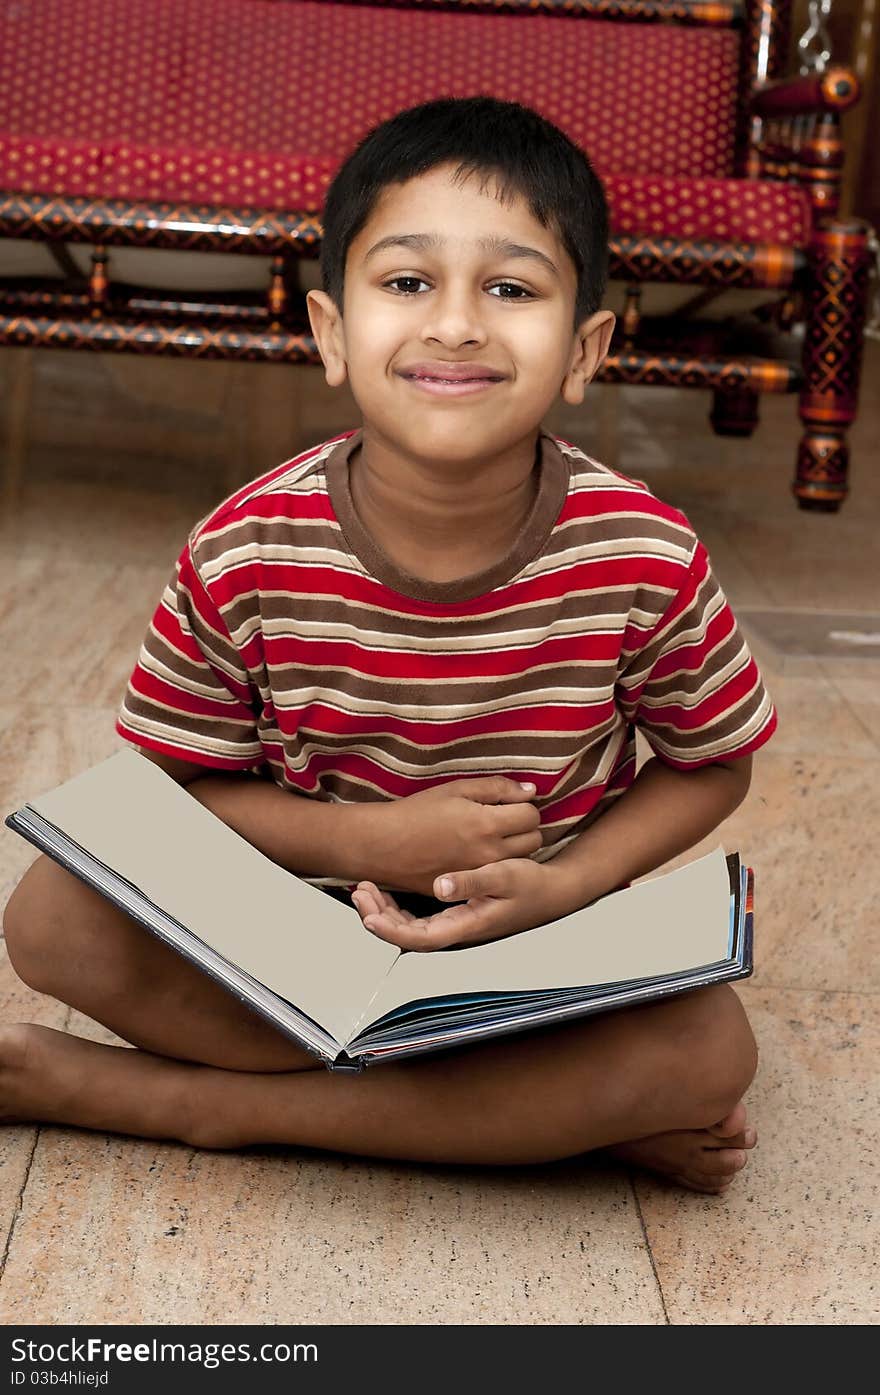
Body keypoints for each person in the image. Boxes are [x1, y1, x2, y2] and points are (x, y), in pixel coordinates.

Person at [2, 97, 775, 1193]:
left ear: (583, 350)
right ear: (329, 332)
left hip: (526, 949)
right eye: (407, 282)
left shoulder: (640, 550)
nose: (455, 324)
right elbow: (172, 797)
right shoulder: (245, 547)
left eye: (510, 289)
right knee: (51, 917)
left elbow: (714, 762)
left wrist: (566, 889)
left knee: (708, 1052)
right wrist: (370, 842)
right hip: (289, 920)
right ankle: (516, 1118)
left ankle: (174, 1101)